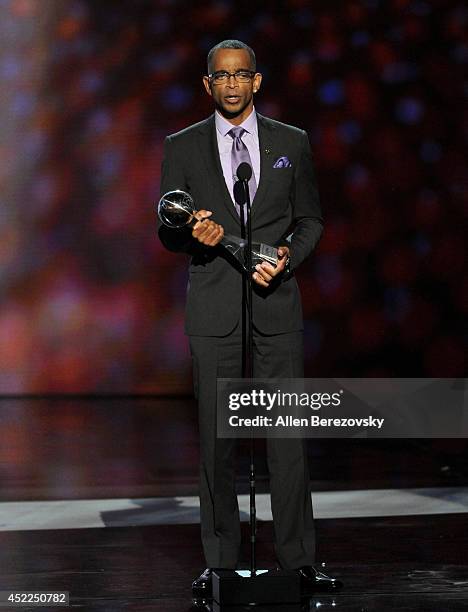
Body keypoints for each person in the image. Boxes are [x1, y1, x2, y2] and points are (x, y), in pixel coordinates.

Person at [158, 39, 342, 600]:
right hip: (214, 312)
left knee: (287, 438)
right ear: (207, 84)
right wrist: (193, 231)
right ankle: (220, 564)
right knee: (219, 443)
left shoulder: (293, 142)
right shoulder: (182, 146)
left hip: (276, 308)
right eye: (222, 76)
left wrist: (286, 256)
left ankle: (300, 560)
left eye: (242, 76)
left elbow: (310, 220)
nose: (233, 85)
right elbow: (166, 224)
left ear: (257, 81)